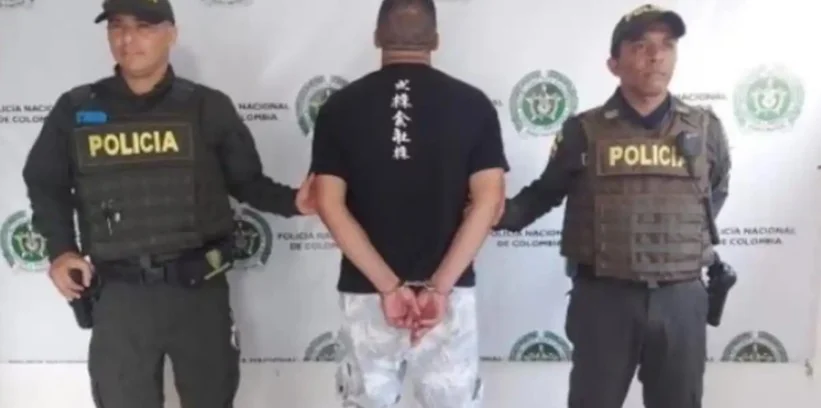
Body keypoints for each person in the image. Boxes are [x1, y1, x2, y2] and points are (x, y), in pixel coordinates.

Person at [21, 1, 315, 407]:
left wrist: (294, 202)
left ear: (171, 34)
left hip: (198, 291)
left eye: (143, 26)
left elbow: (246, 182)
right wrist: (61, 249)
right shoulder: (76, 109)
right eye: (117, 26)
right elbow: (45, 183)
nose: (127, 38)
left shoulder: (207, 107)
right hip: (119, 295)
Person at [495, 4, 731, 408]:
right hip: (605, 299)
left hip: (681, 299)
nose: (656, 56)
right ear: (613, 64)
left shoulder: (706, 129)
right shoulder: (583, 130)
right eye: (640, 46)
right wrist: (493, 213)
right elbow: (545, 193)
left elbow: (715, 192)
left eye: (667, 45)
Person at [310, 0, 507, 406]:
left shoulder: (339, 107)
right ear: (435, 40)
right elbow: (489, 202)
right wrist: (438, 288)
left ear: (377, 37)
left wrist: (389, 287)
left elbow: (328, 204)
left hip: (368, 293)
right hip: (447, 297)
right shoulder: (473, 105)